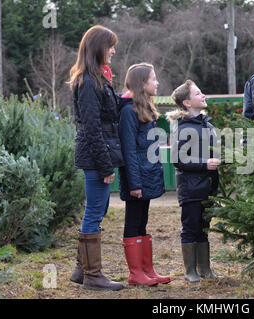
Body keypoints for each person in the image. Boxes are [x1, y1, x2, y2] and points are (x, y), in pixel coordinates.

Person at [68, 25, 124, 291]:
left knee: (98, 210)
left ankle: (82, 271)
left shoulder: (98, 78)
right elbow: (91, 127)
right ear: (98, 48)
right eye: (110, 46)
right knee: (94, 211)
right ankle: (93, 276)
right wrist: (105, 165)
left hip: (97, 156)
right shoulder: (89, 82)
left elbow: (106, 115)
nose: (113, 50)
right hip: (94, 158)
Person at [117, 63, 171, 286]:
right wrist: (134, 184)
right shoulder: (128, 112)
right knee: (133, 221)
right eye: (153, 79)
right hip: (136, 179)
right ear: (142, 83)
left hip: (146, 176)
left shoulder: (145, 110)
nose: (157, 83)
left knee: (143, 222)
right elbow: (128, 150)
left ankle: (147, 270)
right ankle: (135, 273)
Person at [168, 80, 220, 283]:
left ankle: (205, 269)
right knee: (191, 227)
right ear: (187, 103)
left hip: (208, 187)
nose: (203, 96)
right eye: (198, 94)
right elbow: (178, 159)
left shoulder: (207, 124)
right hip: (191, 188)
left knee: (204, 226)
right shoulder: (182, 127)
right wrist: (205, 164)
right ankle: (190, 271)